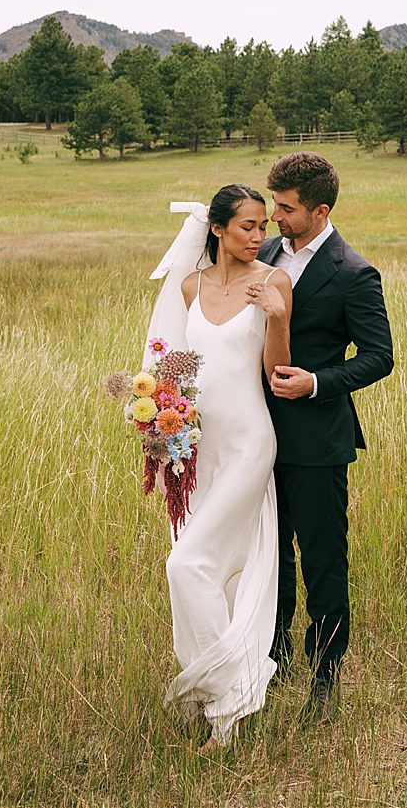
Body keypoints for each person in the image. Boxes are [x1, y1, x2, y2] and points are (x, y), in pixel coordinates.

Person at [256, 151, 394, 723]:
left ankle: (325, 676)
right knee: (269, 558)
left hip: (317, 441)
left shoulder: (353, 272)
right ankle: (274, 659)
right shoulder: (265, 252)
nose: (274, 218)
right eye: (273, 206)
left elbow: (380, 357)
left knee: (322, 562)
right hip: (257, 437)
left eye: (286, 209)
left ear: (321, 210)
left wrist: (316, 382)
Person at [154, 185, 290, 748]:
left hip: (248, 443)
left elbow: (277, 372)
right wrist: (163, 427)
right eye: (248, 227)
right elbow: (178, 366)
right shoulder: (191, 286)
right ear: (217, 230)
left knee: (186, 565)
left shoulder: (272, 282)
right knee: (215, 572)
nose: (259, 236)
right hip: (198, 446)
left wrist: (278, 319)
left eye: (263, 226)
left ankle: (229, 696)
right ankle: (217, 697)